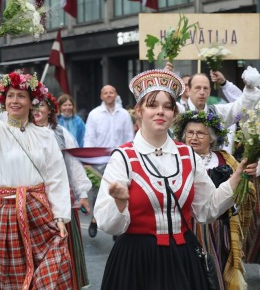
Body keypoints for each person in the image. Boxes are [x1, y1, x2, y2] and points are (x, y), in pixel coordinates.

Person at [93, 69, 257, 290]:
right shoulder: (123, 158)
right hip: (136, 263)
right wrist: (121, 203)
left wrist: (235, 179)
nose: (160, 111)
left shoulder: (187, 155)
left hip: (183, 258)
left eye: (167, 106)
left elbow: (206, 209)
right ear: (139, 111)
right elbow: (107, 223)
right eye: (152, 105)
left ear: (174, 113)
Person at [0, 37, 73, 289]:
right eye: (11, 96)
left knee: (49, 276)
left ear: (31, 101)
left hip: (40, 213)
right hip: (7, 213)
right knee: (9, 281)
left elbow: (57, 177)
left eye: (21, 96)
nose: (15, 100)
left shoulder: (45, 135)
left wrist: (61, 217)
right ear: (4, 101)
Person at [173, 110, 257, 290]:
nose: (194, 137)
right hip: (186, 227)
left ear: (211, 138)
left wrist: (247, 178)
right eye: (190, 133)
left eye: (200, 133)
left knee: (216, 274)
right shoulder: (176, 160)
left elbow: (246, 192)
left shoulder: (225, 160)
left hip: (219, 229)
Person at [32, 92, 91, 290]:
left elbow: (73, 164)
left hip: (61, 200)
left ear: (50, 109)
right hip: (33, 202)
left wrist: (82, 194)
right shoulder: (23, 132)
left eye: (41, 105)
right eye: (33, 105)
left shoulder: (61, 134)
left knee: (65, 251)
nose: (37, 109)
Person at [84, 84, 134, 238]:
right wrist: (88, 159)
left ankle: (116, 223)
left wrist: (130, 157)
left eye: (111, 92)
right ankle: (95, 219)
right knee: (96, 192)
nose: (108, 95)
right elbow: (89, 137)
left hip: (118, 159)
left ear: (116, 94)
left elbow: (129, 137)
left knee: (118, 189)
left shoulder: (124, 114)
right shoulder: (94, 114)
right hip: (99, 159)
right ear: (101, 96)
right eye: (105, 93)